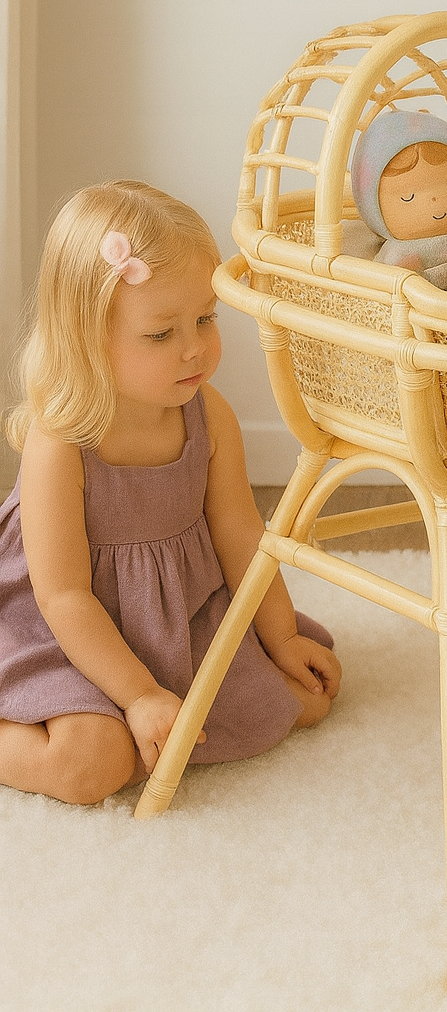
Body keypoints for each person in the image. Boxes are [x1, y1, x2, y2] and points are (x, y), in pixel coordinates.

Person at [0, 180, 341, 805]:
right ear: (87, 337)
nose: (195, 349)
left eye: (205, 320)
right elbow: (64, 595)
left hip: (174, 613)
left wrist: (283, 635)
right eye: (161, 335)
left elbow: (241, 538)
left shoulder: (208, 416)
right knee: (92, 764)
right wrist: (138, 693)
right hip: (63, 627)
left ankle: (151, 711)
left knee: (306, 699)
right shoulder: (62, 440)